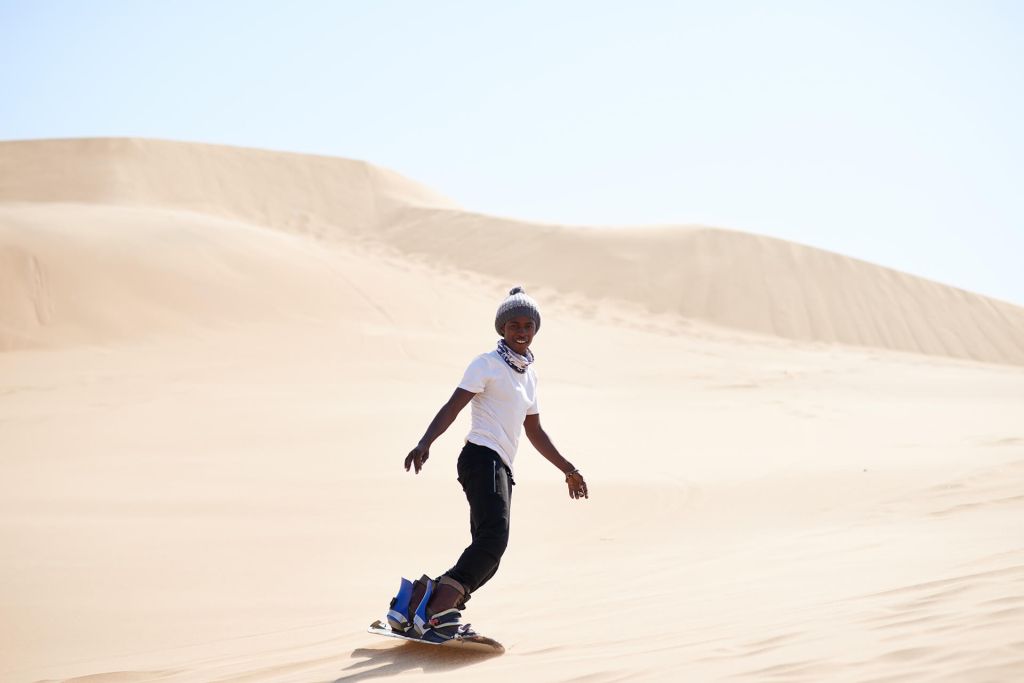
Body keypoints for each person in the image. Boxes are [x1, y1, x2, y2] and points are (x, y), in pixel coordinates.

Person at [384, 286, 589, 642]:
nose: (521, 331)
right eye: (513, 325)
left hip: (500, 466)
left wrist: (568, 469)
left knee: (489, 554)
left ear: (535, 330)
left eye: (528, 325)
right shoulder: (487, 364)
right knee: (494, 538)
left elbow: (535, 430)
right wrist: (425, 441)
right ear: (502, 329)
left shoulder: (529, 375)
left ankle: (418, 601)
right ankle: (438, 612)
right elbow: (454, 405)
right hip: (482, 456)